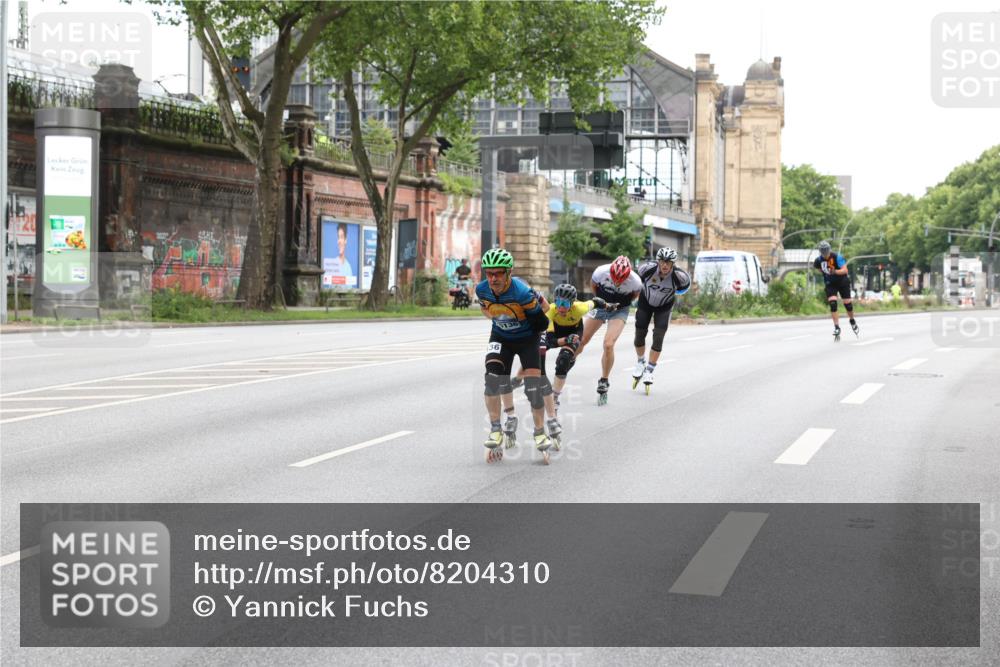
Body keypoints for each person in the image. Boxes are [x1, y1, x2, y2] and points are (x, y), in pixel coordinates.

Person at [476, 249, 555, 463]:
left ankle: (539, 432)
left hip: (528, 337)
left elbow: (543, 319)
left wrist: (524, 321)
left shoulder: (521, 292)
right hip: (501, 337)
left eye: (498, 273)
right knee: (491, 379)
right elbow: (486, 310)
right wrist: (499, 318)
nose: (493, 278)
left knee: (533, 389)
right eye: (489, 273)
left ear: (508, 272)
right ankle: (495, 429)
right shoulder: (481, 289)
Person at [577, 255, 642, 405]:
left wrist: (617, 306)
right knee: (581, 340)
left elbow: (633, 297)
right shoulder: (600, 272)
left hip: (619, 310)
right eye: (615, 278)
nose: (618, 281)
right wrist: (602, 303)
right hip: (601, 306)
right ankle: (565, 366)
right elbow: (593, 287)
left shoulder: (635, 281)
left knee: (608, 344)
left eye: (622, 279)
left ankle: (604, 380)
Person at [545, 283, 616, 416]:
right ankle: (522, 379)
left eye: (565, 304)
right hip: (556, 333)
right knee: (535, 352)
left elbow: (596, 302)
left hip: (574, 331)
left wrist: (609, 307)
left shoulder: (580, 308)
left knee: (563, 361)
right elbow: (551, 341)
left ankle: (555, 397)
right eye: (559, 302)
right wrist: (565, 340)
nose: (561, 307)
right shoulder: (550, 310)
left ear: (573, 303)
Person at [630, 247, 690, 392]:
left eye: (668, 263)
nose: (665, 265)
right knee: (640, 332)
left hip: (664, 306)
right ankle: (640, 362)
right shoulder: (647, 269)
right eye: (662, 262)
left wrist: (669, 292)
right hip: (645, 302)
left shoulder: (680, 277)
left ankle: (649, 369)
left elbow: (684, 288)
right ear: (658, 261)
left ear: (673, 264)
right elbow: (637, 281)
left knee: (659, 335)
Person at [814, 240, 859, 339]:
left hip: (842, 281)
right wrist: (826, 274)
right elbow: (819, 269)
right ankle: (837, 327)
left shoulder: (837, 257)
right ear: (820, 252)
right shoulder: (818, 261)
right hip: (830, 284)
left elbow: (845, 270)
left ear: (829, 250)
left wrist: (835, 271)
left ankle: (851, 319)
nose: (825, 254)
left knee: (848, 304)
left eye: (826, 251)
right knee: (833, 304)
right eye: (823, 252)